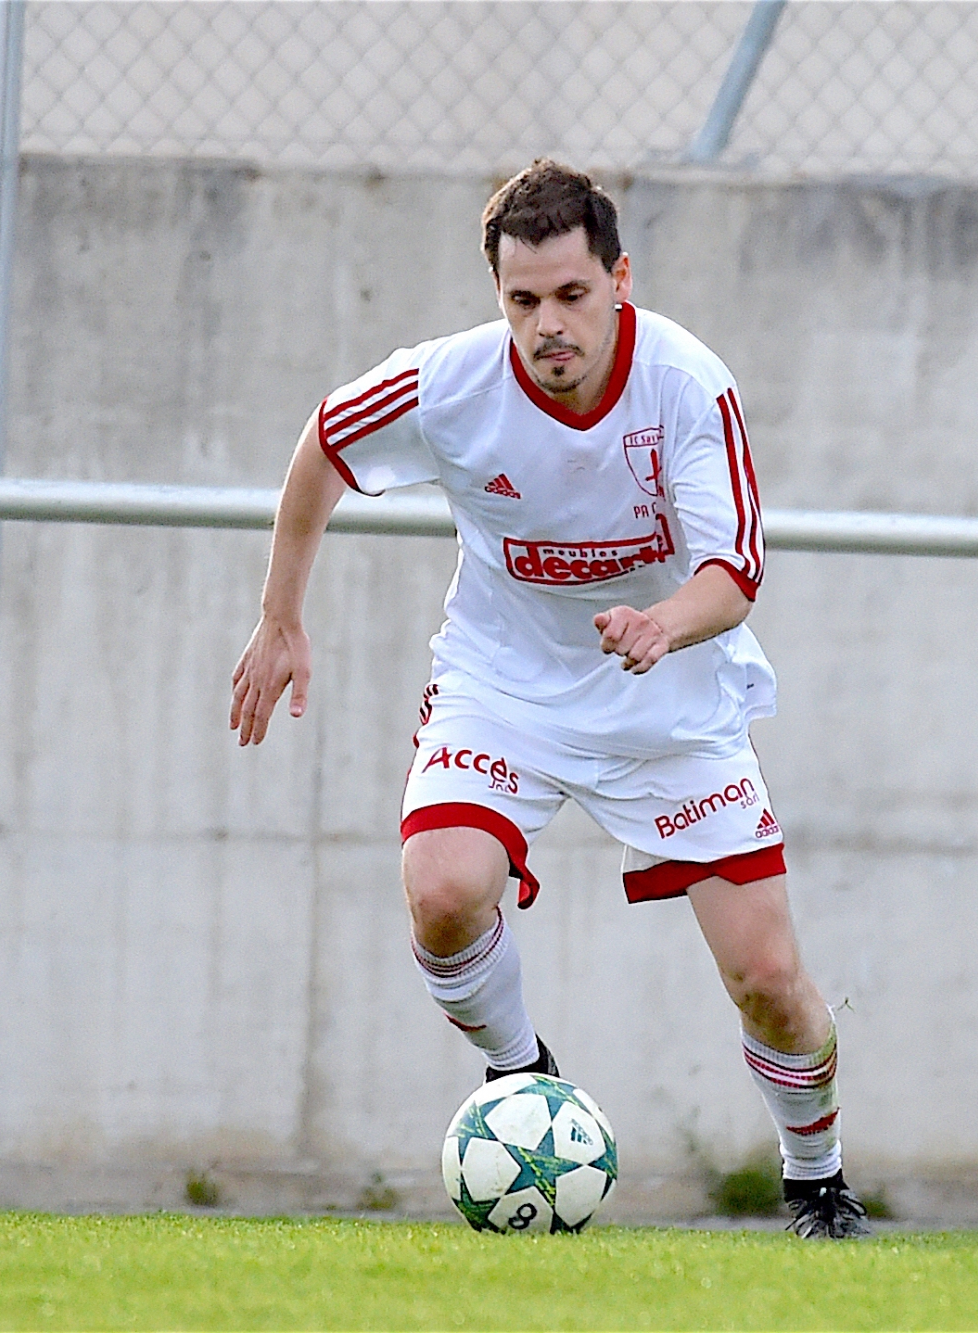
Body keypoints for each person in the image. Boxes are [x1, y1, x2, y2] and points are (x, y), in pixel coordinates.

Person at [228, 159, 870, 1239]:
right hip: (501, 687)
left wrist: (660, 624)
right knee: (439, 891)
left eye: (571, 294)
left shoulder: (685, 384)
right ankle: (520, 1068)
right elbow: (325, 442)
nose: (547, 324)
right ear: (497, 297)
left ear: (619, 278)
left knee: (766, 976)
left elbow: (734, 568)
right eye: (521, 300)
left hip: (667, 702)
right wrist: (280, 614)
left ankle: (816, 1176)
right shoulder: (446, 383)